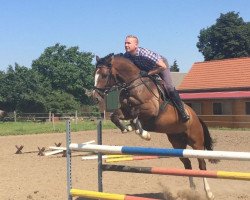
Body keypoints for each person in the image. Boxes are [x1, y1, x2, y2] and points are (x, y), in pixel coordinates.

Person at [123, 35, 189, 122]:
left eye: (128, 43)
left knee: (168, 87)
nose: (126, 45)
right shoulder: (127, 55)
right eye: (125, 43)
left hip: (160, 66)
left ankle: (182, 111)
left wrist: (148, 73)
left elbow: (163, 67)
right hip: (146, 69)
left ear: (136, 45)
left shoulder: (145, 53)